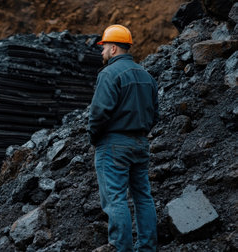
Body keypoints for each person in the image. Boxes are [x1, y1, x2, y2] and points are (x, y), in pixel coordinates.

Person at [88, 25, 159, 252]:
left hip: (113, 144)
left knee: (115, 200)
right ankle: (147, 248)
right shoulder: (146, 75)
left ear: (114, 48)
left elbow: (99, 113)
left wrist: (94, 137)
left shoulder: (108, 74)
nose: (102, 52)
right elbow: (155, 113)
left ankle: (122, 249)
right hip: (140, 143)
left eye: (104, 47)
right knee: (143, 197)